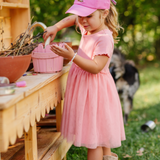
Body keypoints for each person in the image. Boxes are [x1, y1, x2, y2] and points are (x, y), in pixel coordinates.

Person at [43, 0, 126, 159]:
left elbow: (96, 67)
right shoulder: (87, 25)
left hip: (95, 90)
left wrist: (71, 56)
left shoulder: (104, 38)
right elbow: (73, 19)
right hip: (86, 88)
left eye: (88, 15)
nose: (82, 20)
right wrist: (56, 27)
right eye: (81, 15)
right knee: (99, 127)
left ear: (104, 14)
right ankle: (107, 157)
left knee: (93, 137)